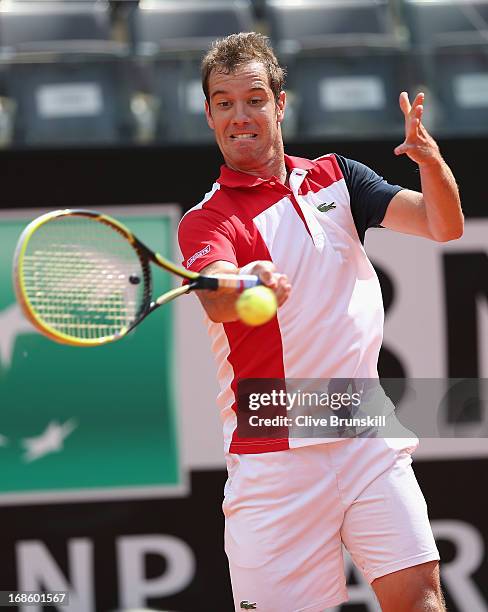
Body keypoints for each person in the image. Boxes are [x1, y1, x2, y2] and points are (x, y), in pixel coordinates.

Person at [178, 32, 463, 612]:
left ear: (280, 104)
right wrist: (251, 284)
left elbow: (442, 225)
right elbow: (217, 295)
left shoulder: (338, 179)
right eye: (225, 102)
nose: (241, 116)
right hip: (272, 452)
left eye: (254, 99)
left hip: (363, 427)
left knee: (421, 598)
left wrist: (432, 163)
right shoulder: (205, 221)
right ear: (209, 114)